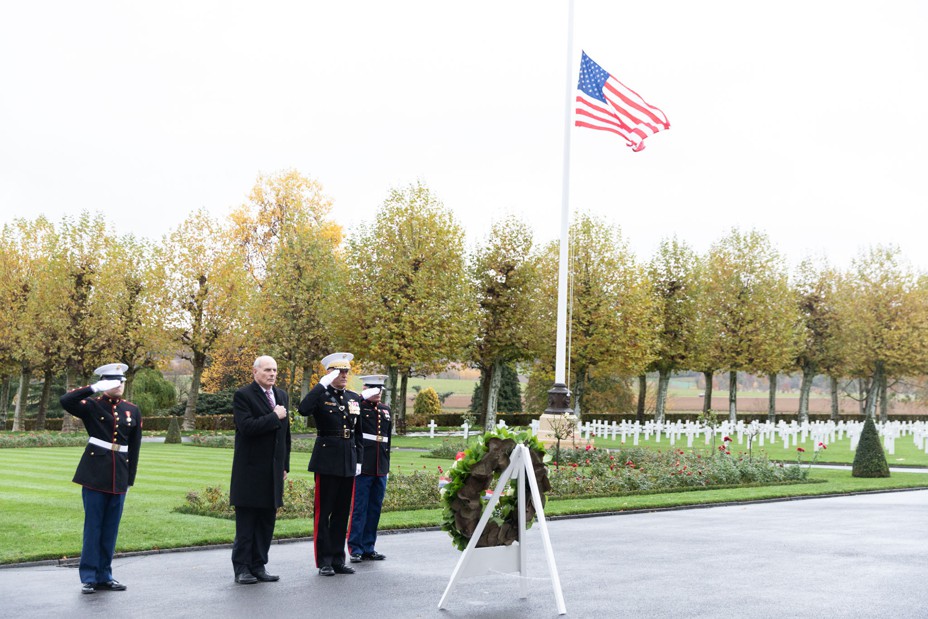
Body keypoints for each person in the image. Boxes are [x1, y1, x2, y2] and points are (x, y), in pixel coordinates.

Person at [59, 363, 142, 595]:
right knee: (93, 527)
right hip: (95, 473)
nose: (119, 385)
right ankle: (88, 576)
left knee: (110, 529)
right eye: (114, 382)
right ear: (106, 384)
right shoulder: (92, 406)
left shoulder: (132, 410)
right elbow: (66, 400)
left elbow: (134, 447)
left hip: (119, 476)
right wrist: (94, 388)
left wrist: (129, 478)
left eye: (122, 381)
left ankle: (105, 574)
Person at [298, 352, 363, 576]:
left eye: (346, 371)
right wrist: (319, 386)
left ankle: (337, 558)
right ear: (329, 373)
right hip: (326, 461)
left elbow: (359, 434)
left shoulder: (353, 398)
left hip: (348, 460)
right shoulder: (320, 395)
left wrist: (359, 461)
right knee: (324, 512)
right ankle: (324, 560)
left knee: (341, 514)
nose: (344, 375)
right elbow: (303, 409)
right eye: (339, 371)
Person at [230, 355, 291, 584]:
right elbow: (246, 428)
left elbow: (285, 436)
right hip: (250, 470)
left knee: (266, 522)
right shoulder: (243, 395)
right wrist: (274, 416)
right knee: (247, 523)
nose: (272, 374)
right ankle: (242, 568)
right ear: (255, 372)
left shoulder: (282, 395)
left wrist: (285, 465)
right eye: (267, 370)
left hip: (273, 471)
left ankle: (259, 565)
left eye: (275, 370)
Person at [348, 374, 392, 563]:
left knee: (374, 508)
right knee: (359, 508)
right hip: (363, 465)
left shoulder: (385, 410)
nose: (378, 393)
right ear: (366, 389)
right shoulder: (357, 407)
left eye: (380, 389)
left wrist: (386, 467)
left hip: (380, 466)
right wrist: (361, 397)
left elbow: (387, 441)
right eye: (374, 389)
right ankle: (355, 547)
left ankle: (368, 547)